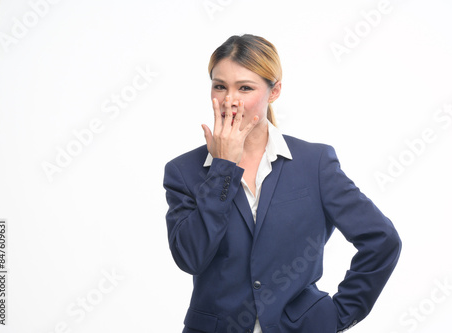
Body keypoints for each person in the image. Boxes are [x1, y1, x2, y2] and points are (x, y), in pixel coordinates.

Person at [163, 34, 401, 333]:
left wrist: (337, 315)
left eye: (245, 88)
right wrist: (222, 169)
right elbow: (190, 258)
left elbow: (382, 240)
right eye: (220, 86)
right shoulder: (184, 171)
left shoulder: (314, 163)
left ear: (273, 91)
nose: (228, 100)